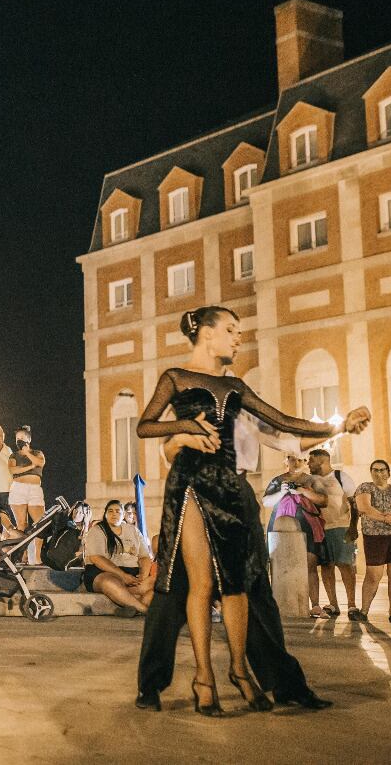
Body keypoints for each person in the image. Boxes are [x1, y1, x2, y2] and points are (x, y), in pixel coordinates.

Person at [133, 306, 366, 716]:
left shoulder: (239, 393)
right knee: (176, 592)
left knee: (249, 589)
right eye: (231, 330)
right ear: (206, 334)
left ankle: (265, 678)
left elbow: (287, 430)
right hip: (189, 487)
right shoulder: (177, 379)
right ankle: (165, 682)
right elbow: (160, 439)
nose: (240, 338)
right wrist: (185, 433)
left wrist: (339, 426)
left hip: (235, 490)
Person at [261, 456, 328, 618]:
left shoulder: (312, 480)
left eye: (300, 460)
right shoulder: (278, 480)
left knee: (310, 563)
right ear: (287, 461)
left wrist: (302, 490)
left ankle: (315, 604)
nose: (296, 463)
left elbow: (323, 500)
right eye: (293, 459)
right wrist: (282, 492)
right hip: (280, 524)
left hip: (307, 524)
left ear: (305, 462)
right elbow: (266, 502)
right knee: (277, 563)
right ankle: (277, 602)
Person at [351, 460, 391, 624]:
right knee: (373, 574)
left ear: (388, 472)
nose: (379, 473)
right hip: (374, 537)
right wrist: (389, 519)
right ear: (371, 472)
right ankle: (363, 611)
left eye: (382, 470)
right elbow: (365, 508)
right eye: (375, 470)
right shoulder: (365, 487)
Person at [306, 448, 359, 617]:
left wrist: (353, 527)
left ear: (322, 461)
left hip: (341, 527)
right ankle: (333, 604)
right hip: (320, 529)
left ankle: (352, 605)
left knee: (345, 565)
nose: (308, 464)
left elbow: (354, 503)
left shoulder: (340, 477)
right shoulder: (311, 481)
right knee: (326, 567)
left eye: (311, 460)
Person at [82, 499, 154, 615]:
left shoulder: (133, 530)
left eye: (117, 511)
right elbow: (97, 559)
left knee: (156, 582)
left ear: (123, 515)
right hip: (103, 572)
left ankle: (131, 606)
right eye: (110, 511)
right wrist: (123, 576)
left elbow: (144, 557)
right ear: (105, 515)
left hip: (132, 575)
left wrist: (143, 576)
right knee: (110, 583)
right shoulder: (97, 530)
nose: (114, 514)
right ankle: (145, 610)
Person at [8, 426, 47, 564]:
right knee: (22, 524)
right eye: (17, 438)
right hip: (18, 489)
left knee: (40, 524)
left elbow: (40, 462)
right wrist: (31, 467)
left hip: (35, 489)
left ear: (28, 439)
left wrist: (27, 453)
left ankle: (37, 557)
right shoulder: (14, 455)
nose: (19, 440)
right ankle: (23, 556)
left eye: (22, 438)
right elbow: (13, 470)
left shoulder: (37, 452)